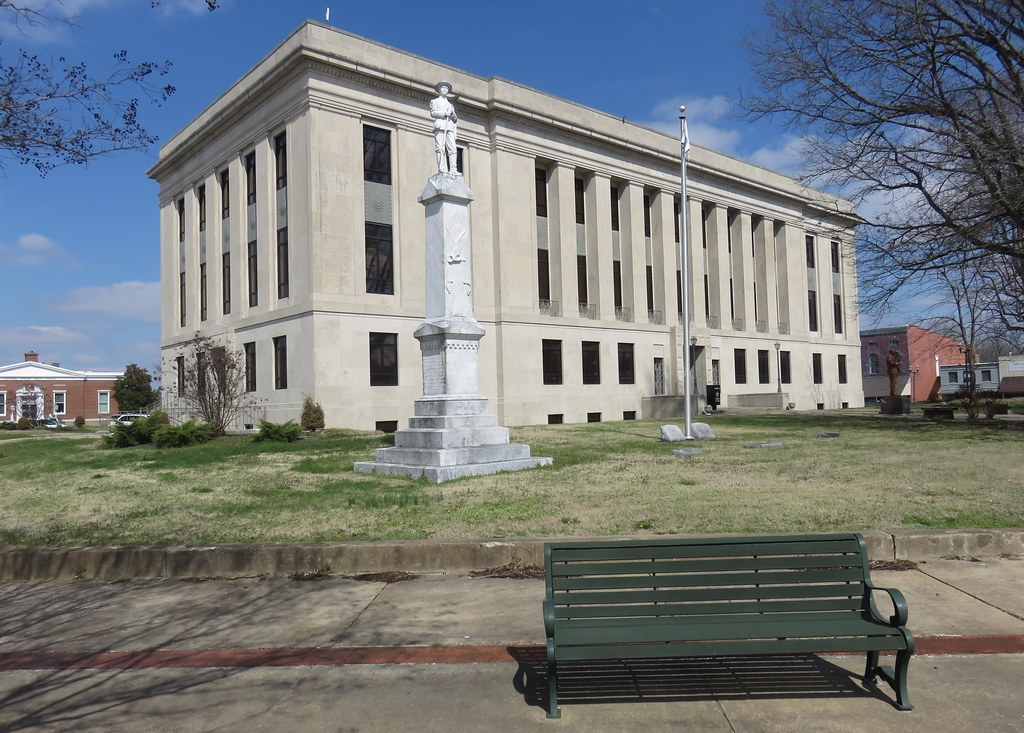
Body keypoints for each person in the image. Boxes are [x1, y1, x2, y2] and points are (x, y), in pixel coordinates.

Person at [430, 81, 458, 174]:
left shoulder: (450, 105)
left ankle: (453, 169)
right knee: (440, 148)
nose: (445, 89)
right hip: (440, 125)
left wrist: (452, 114)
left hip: (449, 126)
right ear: (439, 90)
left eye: (446, 88)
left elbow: (455, 119)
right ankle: (442, 169)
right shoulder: (435, 101)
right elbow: (433, 113)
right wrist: (444, 113)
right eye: (443, 87)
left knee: (452, 148)